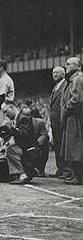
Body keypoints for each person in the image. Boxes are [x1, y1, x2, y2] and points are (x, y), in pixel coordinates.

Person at [1, 101, 49, 184]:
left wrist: (10, 129)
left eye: (6, 111)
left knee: (11, 149)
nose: (5, 114)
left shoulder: (23, 117)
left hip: (31, 150)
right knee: (8, 149)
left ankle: (22, 174)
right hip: (27, 149)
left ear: (12, 107)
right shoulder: (16, 119)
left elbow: (23, 135)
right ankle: (29, 171)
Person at [60, 57, 83, 185]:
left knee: (75, 147)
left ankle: (79, 176)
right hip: (72, 117)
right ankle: (76, 174)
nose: (66, 65)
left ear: (77, 66)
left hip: (75, 117)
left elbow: (76, 100)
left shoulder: (78, 79)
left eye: (69, 64)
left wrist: (66, 108)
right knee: (72, 146)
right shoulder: (73, 80)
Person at [49, 66, 67, 178]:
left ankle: (65, 169)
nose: (54, 75)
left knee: (62, 145)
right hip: (54, 121)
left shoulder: (65, 85)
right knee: (57, 145)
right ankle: (60, 168)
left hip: (60, 120)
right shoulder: (56, 87)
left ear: (63, 74)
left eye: (57, 73)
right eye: (53, 73)